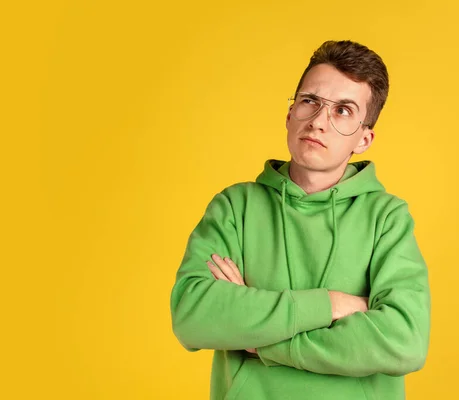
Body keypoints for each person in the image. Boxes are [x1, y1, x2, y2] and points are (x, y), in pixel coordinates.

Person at [170, 40, 431, 400]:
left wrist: (264, 339)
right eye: (310, 101)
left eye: (343, 111)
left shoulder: (387, 218)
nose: (319, 122)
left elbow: (405, 340)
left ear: (364, 139)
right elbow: (193, 316)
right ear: (290, 114)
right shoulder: (235, 207)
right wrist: (332, 304)